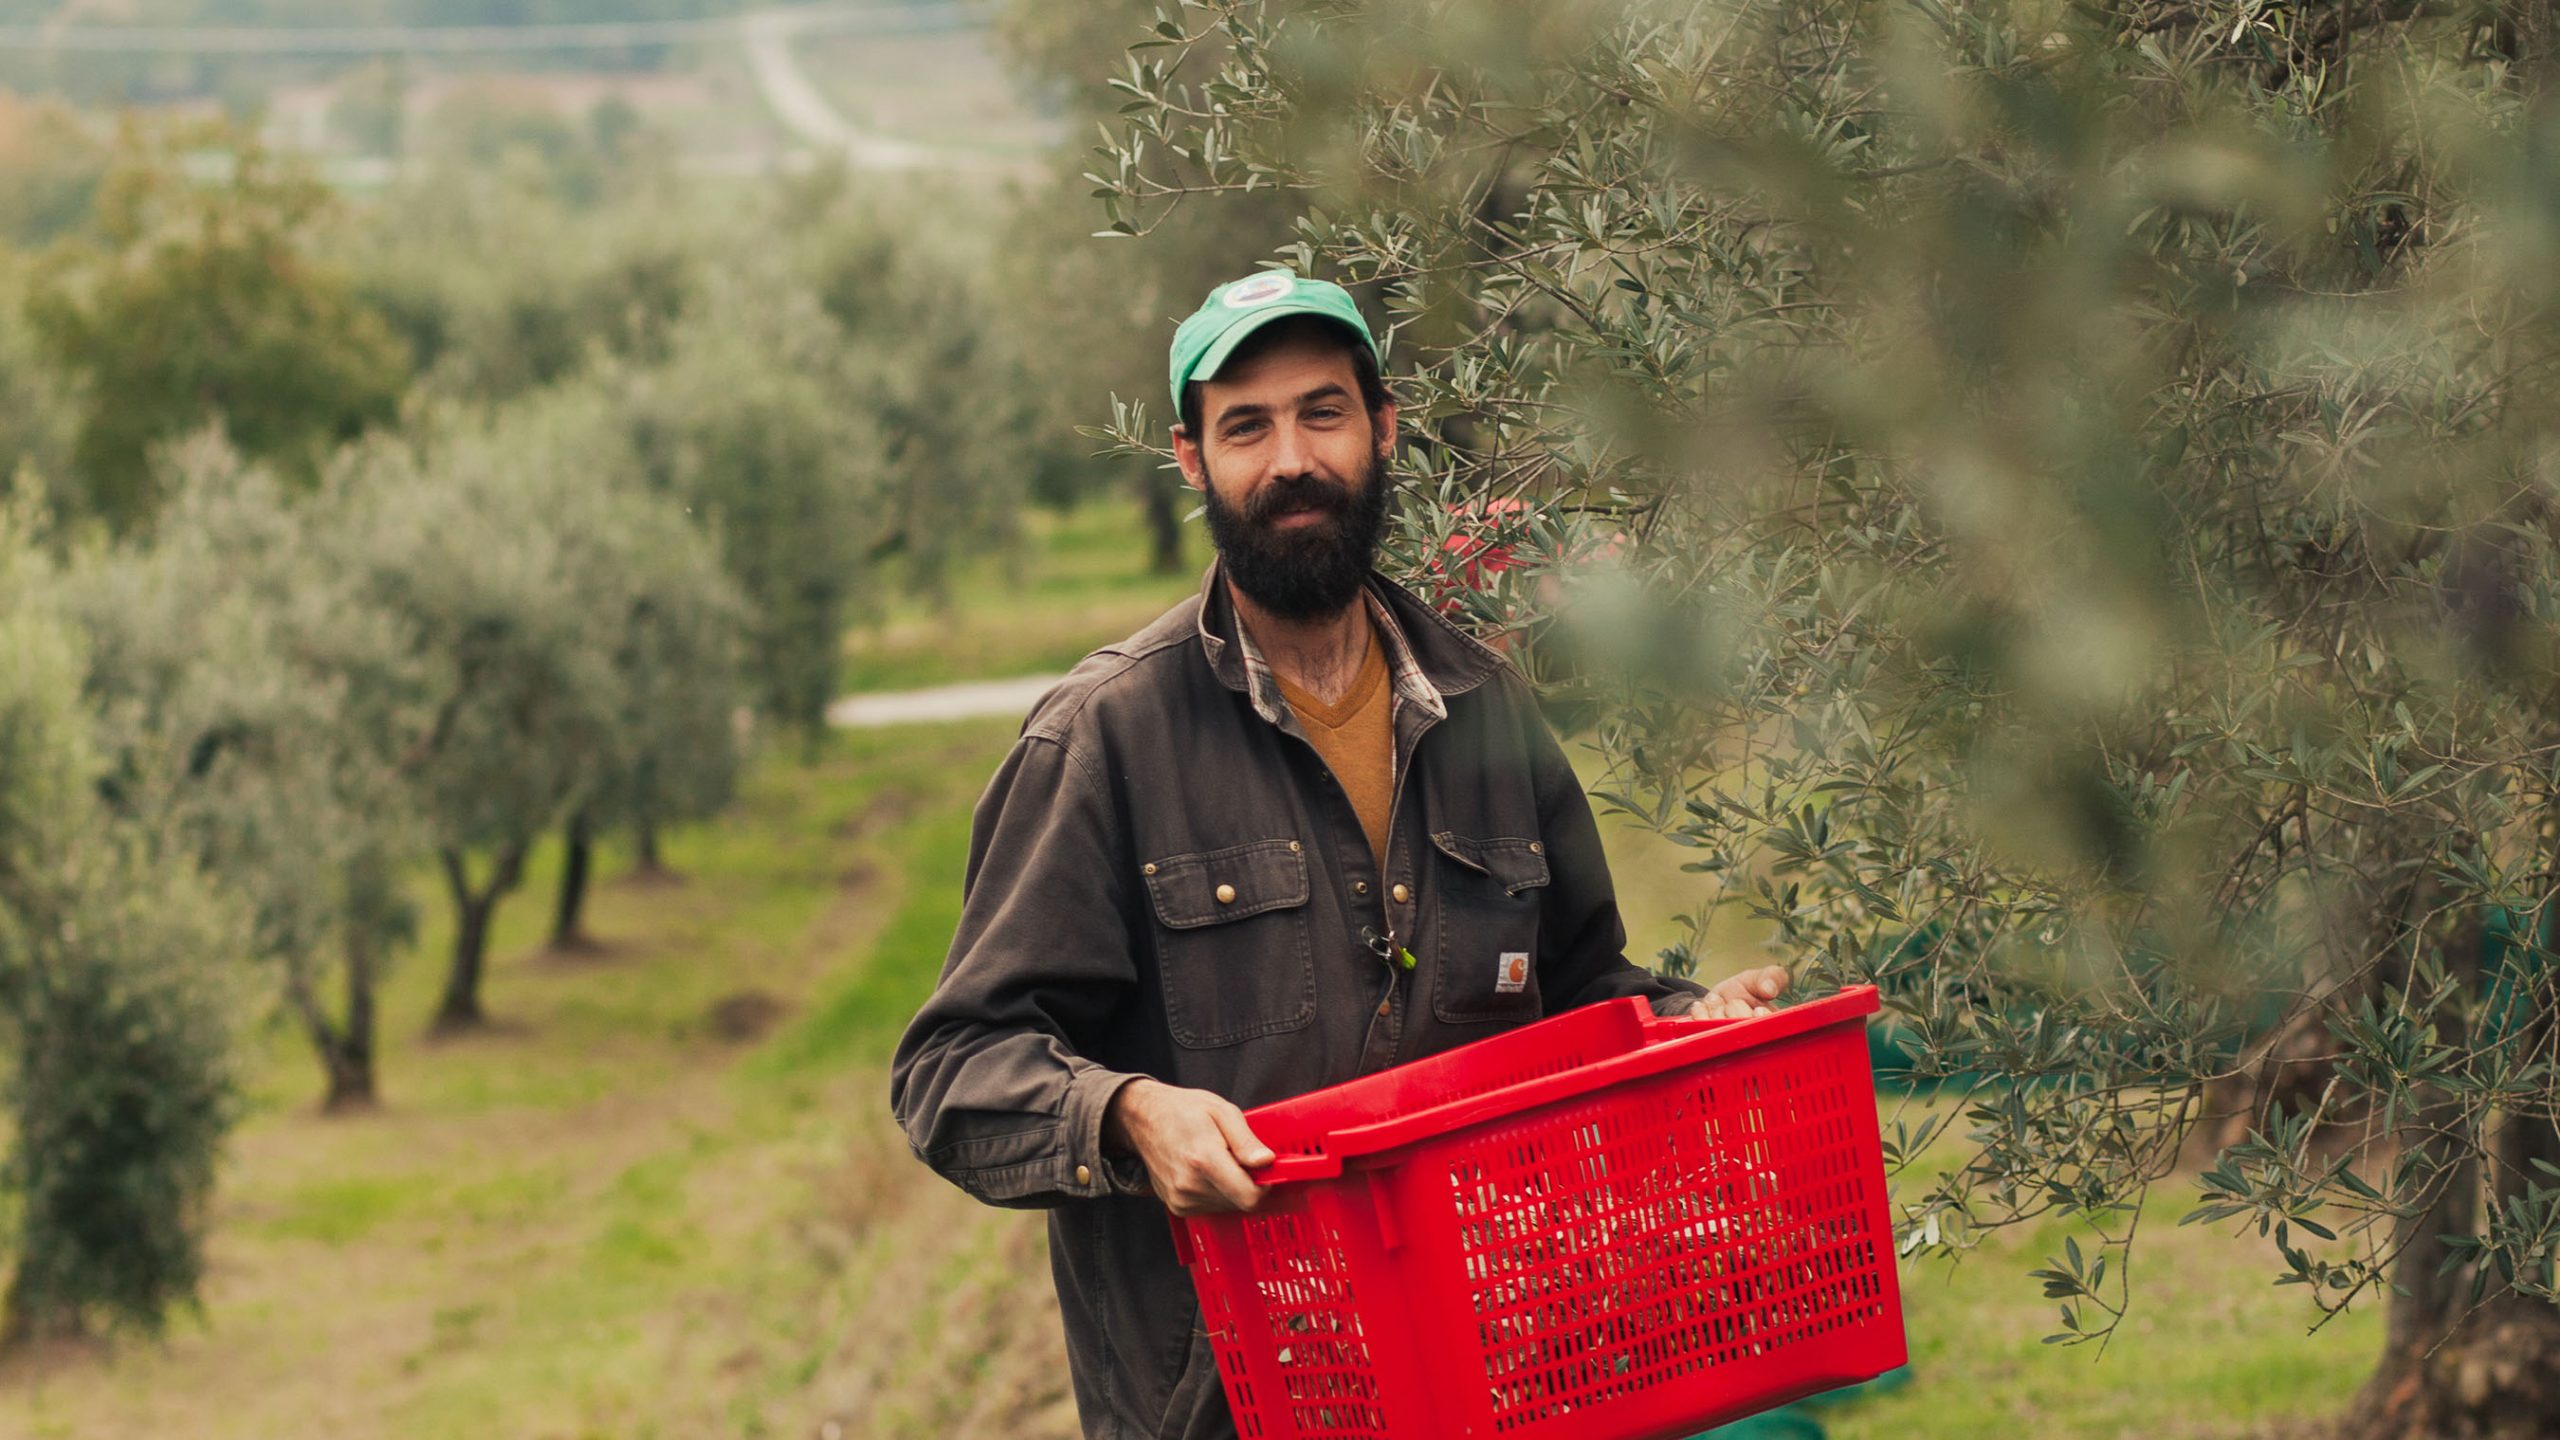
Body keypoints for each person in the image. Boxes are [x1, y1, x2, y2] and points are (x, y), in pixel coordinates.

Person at [889, 270, 1790, 1440]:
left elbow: (1580, 991)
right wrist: (1127, 1115)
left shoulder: (1485, 707)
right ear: (1190, 459)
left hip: (1502, 1382)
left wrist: (1685, 1025)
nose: (1290, 461)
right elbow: (952, 1069)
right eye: (1245, 426)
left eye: (1321, 412)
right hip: (1231, 1411)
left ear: (1382, 426)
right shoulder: (1105, 737)